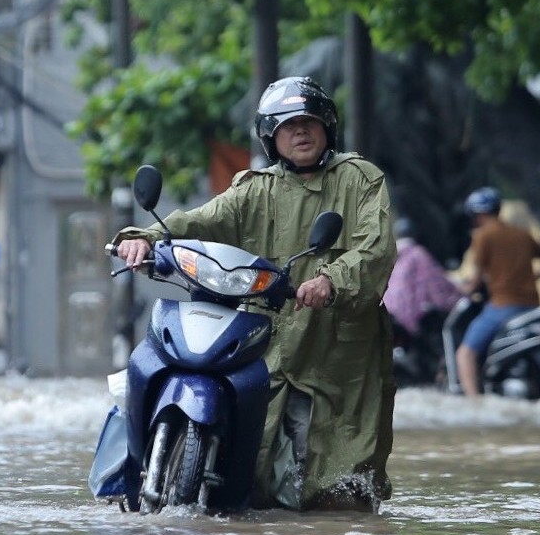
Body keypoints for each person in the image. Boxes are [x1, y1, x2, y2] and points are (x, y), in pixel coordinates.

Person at [114, 76, 397, 511]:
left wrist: (331, 279)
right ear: (271, 137)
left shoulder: (360, 180)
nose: (300, 132)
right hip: (263, 340)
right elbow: (200, 221)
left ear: (327, 128)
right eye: (287, 126)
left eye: (308, 122)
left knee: (336, 490)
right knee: (252, 480)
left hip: (336, 354)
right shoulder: (254, 189)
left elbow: (375, 248)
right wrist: (146, 237)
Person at [455, 186, 540, 396]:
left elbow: (475, 279)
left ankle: (473, 401)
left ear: (477, 213)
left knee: (465, 353)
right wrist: (530, 278)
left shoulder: (483, 236)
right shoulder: (522, 234)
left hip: (503, 305)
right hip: (532, 305)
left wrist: (463, 289)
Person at [383, 217, 461, 384]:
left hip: (388, 310)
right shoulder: (418, 253)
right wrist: (457, 295)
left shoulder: (389, 254)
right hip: (410, 315)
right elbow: (436, 282)